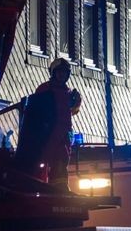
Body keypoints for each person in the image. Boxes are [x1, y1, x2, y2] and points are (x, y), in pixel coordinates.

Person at [13, 57, 82, 189]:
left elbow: (72, 111)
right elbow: (36, 110)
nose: (62, 75)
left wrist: (76, 102)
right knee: (41, 159)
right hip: (47, 132)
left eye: (64, 72)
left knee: (61, 161)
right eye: (59, 72)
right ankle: (40, 185)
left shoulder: (69, 93)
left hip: (63, 133)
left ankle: (60, 188)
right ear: (53, 73)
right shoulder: (44, 89)